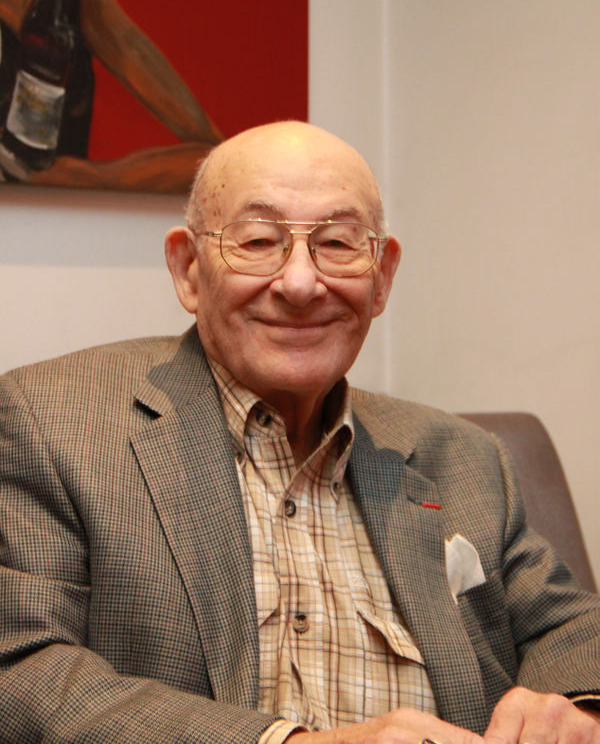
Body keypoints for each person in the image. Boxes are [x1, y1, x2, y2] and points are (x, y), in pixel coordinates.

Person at [0, 120, 598, 744]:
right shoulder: (52, 423)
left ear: (382, 276)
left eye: (337, 243)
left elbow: (571, 627)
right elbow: (20, 671)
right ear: (188, 269)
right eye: (259, 241)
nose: (301, 284)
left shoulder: (465, 457)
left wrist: (580, 709)